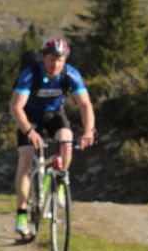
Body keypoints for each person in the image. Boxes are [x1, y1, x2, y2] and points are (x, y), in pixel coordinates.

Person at [9, 36, 95, 239]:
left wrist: (88, 131)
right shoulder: (31, 74)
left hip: (54, 115)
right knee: (26, 159)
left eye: (60, 60)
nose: (55, 64)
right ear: (43, 58)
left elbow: (85, 104)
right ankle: (22, 214)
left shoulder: (70, 74)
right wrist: (29, 131)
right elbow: (16, 107)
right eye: (51, 59)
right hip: (29, 117)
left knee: (66, 141)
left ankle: (61, 181)